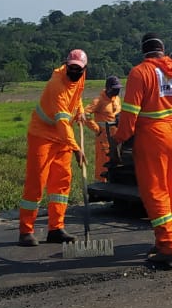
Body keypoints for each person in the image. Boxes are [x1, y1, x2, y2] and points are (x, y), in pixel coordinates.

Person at [111, 33, 172, 266]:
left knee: (154, 192)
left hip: (153, 136)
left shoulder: (139, 72)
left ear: (143, 51)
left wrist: (119, 137)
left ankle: (168, 246)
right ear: (162, 51)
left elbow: (131, 112)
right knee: (169, 192)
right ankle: (165, 239)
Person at [18, 48, 89, 246]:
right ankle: (26, 231)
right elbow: (62, 124)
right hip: (43, 135)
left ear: (84, 69)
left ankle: (56, 229)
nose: (75, 72)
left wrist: (80, 111)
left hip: (61, 138)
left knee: (61, 183)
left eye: (79, 69)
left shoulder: (80, 77)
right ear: (66, 65)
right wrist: (76, 148)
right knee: (36, 182)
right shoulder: (57, 85)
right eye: (72, 68)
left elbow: (77, 96)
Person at [83, 75, 123, 181]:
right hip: (104, 138)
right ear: (108, 88)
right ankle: (101, 186)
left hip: (117, 137)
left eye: (118, 89)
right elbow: (85, 114)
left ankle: (114, 184)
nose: (117, 91)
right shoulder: (99, 100)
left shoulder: (117, 99)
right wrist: (97, 129)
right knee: (103, 162)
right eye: (115, 89)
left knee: (117, 161)